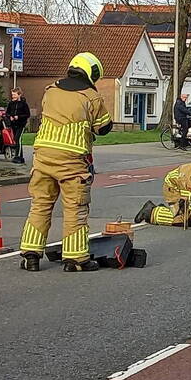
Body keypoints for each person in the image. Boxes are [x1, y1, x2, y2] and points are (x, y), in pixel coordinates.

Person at [19, 52, 112, 272]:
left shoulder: (50, 91)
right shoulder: (91, 96)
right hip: (72, 161)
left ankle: (30, 255)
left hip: (42, 157)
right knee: (75, 207)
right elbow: (104, 127)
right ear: (92, 73)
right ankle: (75, 259)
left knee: (40, 204)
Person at [135, 162, 191, 227]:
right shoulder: (186, 183)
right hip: (173, 188)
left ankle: (168, 210)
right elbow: (187, 206)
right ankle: (151, 212)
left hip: (187, 186)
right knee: (184, 220)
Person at [6, 88, 31, 164]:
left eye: (14, 94)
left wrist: (19, 117)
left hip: (21, 124)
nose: (13, 96)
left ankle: (17, 156)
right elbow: (7, 112)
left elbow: (27, 114)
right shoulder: (11, 103)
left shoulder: (23, 104)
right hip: (13, 124)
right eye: (12, 94)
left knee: (18, 139)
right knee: (16, 140)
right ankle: (20, 156)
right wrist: (10, 116)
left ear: (19, 94)